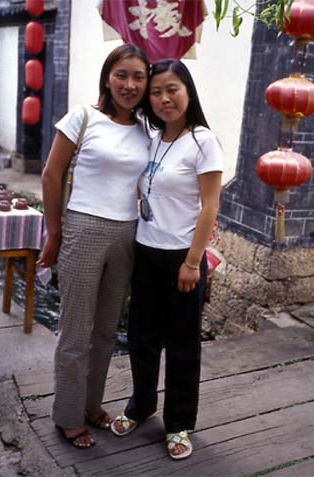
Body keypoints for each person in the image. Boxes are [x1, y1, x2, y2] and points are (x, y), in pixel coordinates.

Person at [37, 44, 150, 449]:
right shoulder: (82, 117)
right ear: (107, 77)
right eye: (122, 75)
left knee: (105, 330)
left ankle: (91, 404)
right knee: (75, 330)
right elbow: (51, 175)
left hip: (127, 234)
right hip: (83, 229)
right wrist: (55, 231)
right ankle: (68, 415)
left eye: (139, 77)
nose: (130, 84)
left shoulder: (145, 129)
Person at [111, 59, 223, 460]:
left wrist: (193, 262)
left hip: (182, 258)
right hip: (146, 252)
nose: (162, 98)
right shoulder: (152, 135)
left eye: (171, 89)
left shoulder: (203, 141)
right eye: (155, 91)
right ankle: (142, 406)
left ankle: (178, 423)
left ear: (188, 91)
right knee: (141, 338)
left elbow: (210, 205)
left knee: (181, 345)